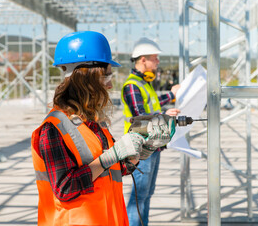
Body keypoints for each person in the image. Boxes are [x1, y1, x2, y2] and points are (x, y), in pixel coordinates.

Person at [31, 31, 173, 226]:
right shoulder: (53, 129)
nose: (110, 85)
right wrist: (111, 156)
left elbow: (113, 169)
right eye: (106, 76)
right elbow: (65, 188)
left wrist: (140, 153)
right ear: (86, 79)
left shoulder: (94, 123)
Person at [121, 37, 180, 226]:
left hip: (153, 145)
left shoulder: (144, 84)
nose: (157, 62)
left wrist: (171, 94)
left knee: (146, 194)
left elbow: (152, 104)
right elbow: (140, 114)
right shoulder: (132, 85)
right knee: (139, 197)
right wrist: (164, 114)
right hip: (141, 147)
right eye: (154, 58)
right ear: (143, 60)